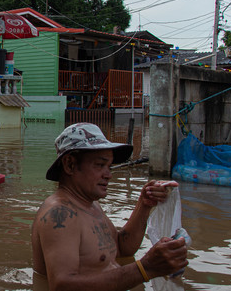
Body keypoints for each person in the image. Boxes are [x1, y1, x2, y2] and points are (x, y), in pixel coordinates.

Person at [31, 122, 188, 291]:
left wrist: (144, 203)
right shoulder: (59, 214)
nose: (108, 175)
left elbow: (122, 248)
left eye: (109, 166)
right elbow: (62, 285)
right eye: (100, 165)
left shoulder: (91, 205)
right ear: (70, 164)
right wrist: (146, 268)